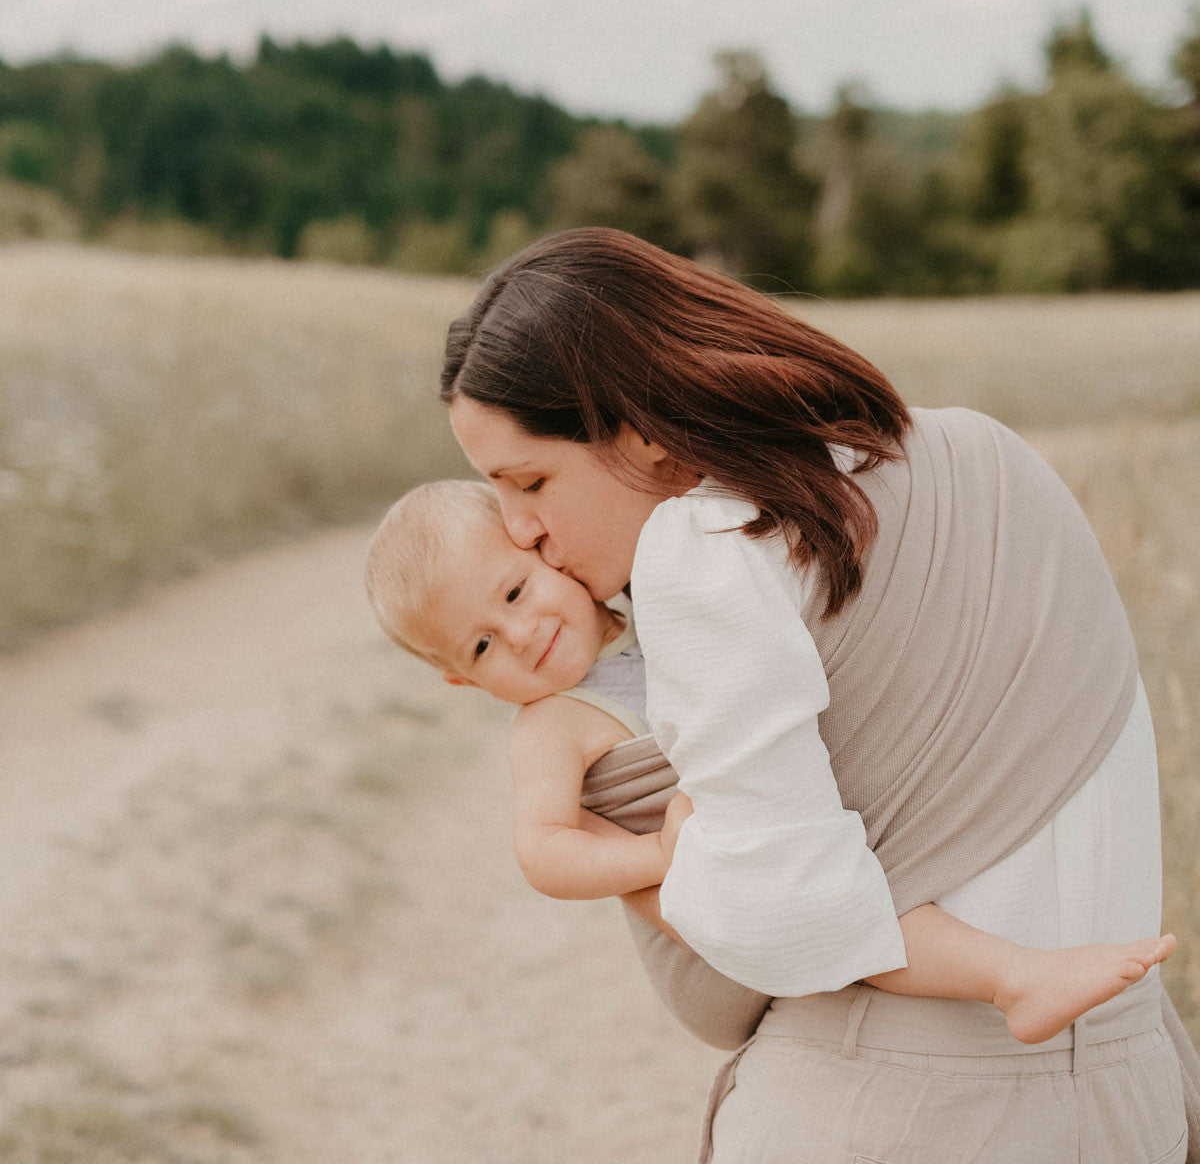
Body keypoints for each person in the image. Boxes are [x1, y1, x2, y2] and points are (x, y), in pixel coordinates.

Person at [438, 226, 1197, 1163]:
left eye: (530, 481)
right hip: (1138, 1086)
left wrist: (667, 855)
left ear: (638, 429)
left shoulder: (704, 548)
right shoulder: (989, 456)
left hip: (893, 1107)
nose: (523, 533)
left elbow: (772, 928)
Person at [364, 477, 1173, 1045]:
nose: (519, 634)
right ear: (459, 678)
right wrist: (656, 855)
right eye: (480, 645)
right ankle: (1012, 980)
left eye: (512, 595)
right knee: (846, 905)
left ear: (544, 554)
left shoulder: (650, 607)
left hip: (741, 846)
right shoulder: (551, 723)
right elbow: (541, 848)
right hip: (693, 905)